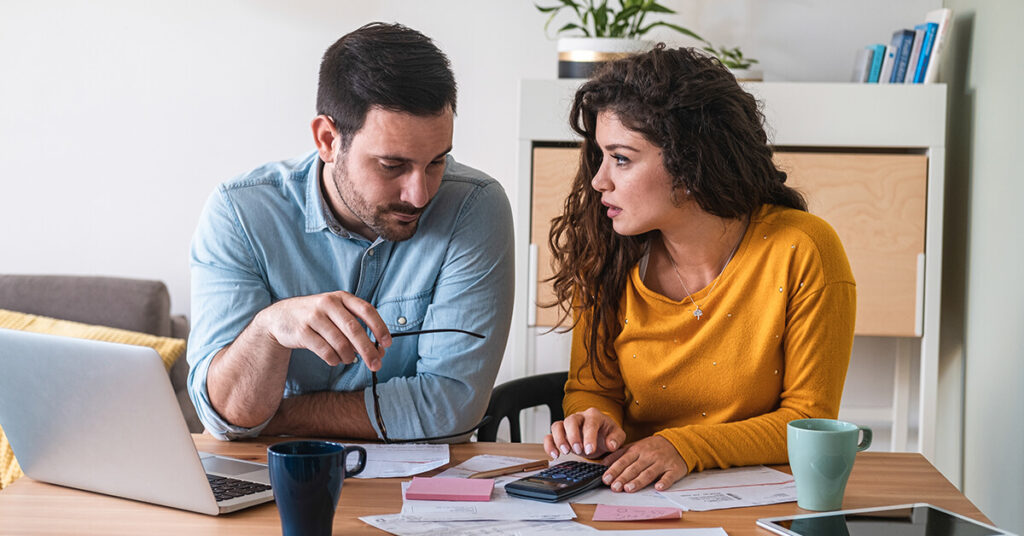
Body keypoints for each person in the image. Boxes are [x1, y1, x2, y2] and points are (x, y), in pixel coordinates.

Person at [542, 45, 856, 493]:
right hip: (631, 494)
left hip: (757, 502)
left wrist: (685, 447)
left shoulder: (803, 249)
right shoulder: (609, 252)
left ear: (690, 165)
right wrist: (593, 421)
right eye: (600, 155)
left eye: (622, 159)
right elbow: (594, 388)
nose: (598, 181)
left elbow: (808, 419)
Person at [186, 22, 514, 442]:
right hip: (273, 480)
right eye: (392, 166)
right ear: (327, 139)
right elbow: (226, 414)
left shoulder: (474, 207)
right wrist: (270, 329)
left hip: (415, 490)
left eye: (436, 162)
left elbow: (451, 409)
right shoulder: (240, 214)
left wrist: (275, 417)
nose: (419, 195)